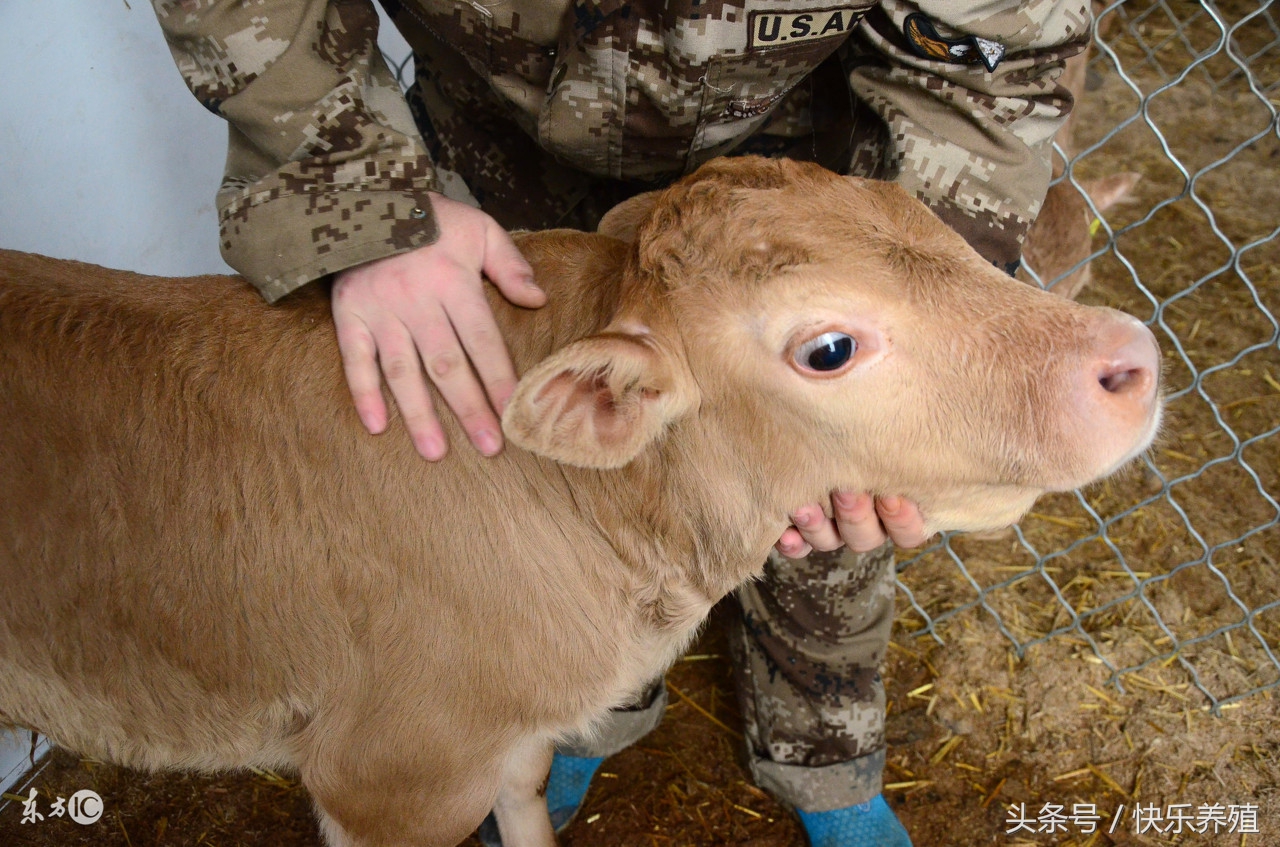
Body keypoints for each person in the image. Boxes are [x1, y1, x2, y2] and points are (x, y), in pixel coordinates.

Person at [150, 1, 1086, 843]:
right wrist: (355, 194)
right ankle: (566, 709)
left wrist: (927, 278)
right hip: (500, 146)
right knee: (530, 500)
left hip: (804, 164)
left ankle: (825, 756)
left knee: (821, 500)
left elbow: (1002, 35)